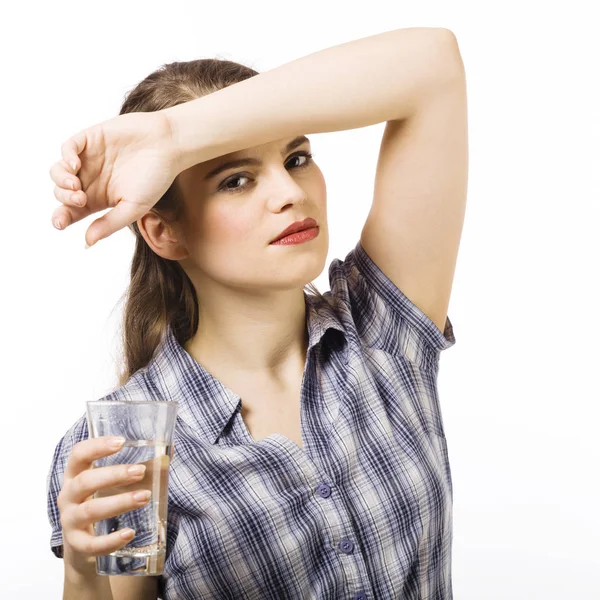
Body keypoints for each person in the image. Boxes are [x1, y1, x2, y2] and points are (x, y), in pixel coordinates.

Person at [47, 26, 468, 600]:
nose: (289, 192)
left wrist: (175, 135)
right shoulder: (127, 444)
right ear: (164, 231)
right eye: (236, 179)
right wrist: (83, 571)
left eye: (296, 157)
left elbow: (431, 64)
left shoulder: (383, 333)